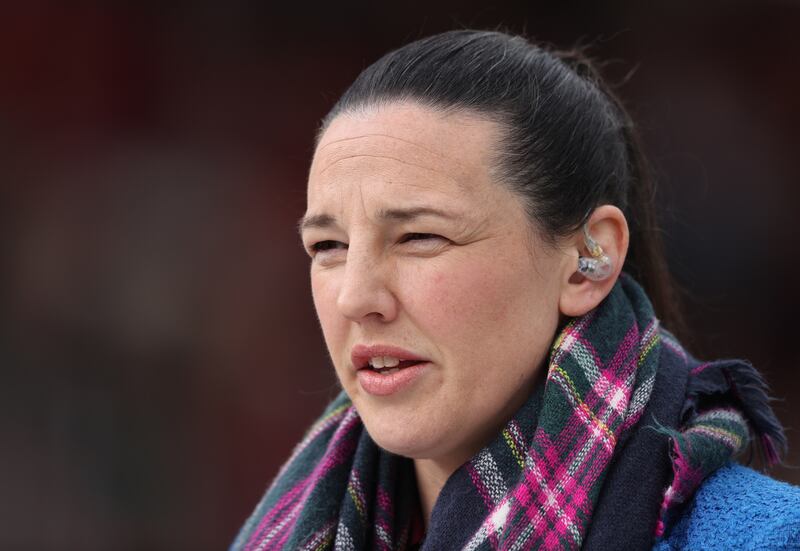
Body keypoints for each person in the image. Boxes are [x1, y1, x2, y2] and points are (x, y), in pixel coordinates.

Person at [231, 30, 800, 550]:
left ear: (586, 261)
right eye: (327, 247)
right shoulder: (278, 532)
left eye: (420, 237)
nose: (355, 298)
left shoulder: (766, 537)